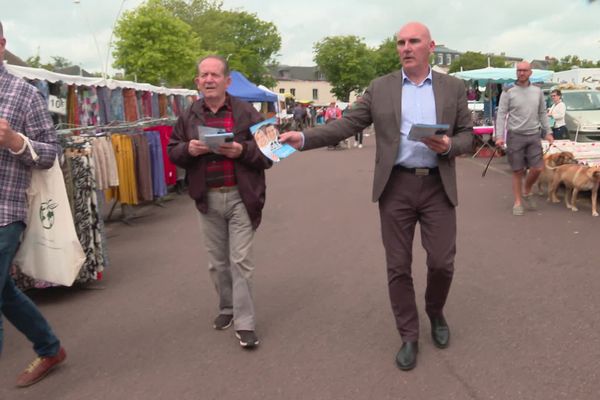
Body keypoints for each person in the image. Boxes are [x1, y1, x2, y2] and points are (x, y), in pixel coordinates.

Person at [280, 22, 473, 371]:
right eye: (401, 42)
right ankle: (409, 334)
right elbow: (347, 124)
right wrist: (305, 138)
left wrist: (448, 145)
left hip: (437, 186)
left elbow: (467, 136)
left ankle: (435, 310)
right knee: (398, 266)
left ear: (431, 46)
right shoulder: (380, 88)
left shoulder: (453, 87)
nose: (406, 47)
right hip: (396, 186)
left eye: (414, 41)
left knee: (442, 262)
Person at [167, 55, 271, 349]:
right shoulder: (188, 115)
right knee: (217, 264)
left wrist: (242, 150)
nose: (209, 80)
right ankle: (227, 307)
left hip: (241, 196)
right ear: (197, 82)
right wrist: (188, 149)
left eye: (215, 75)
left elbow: (272, 152)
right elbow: (172, 151)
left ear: (227, 81)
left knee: (241, 262)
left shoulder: (247, 111)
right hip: (207, 198)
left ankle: (245, 322)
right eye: (204, 75)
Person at [0, 21, 67, 388]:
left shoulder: (24, 94)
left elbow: (50, 152)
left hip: (3, 211)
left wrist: (14, 141)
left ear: (2, 44)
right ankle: (50, 347)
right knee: (5, 292)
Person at [494, 61, 554, 216]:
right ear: (516, 72)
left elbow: (542, 113)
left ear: (530, 73)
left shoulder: (537, 91)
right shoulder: (508, 91)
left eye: (524, 70)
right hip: (515, 135)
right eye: (519, 70)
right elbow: (501, 114)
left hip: (534, 135)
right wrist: (499, 136)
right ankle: (518, 201)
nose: (521, 73)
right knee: (517, 171)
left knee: (538, 168)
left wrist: (548, 131)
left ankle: (527, 190)